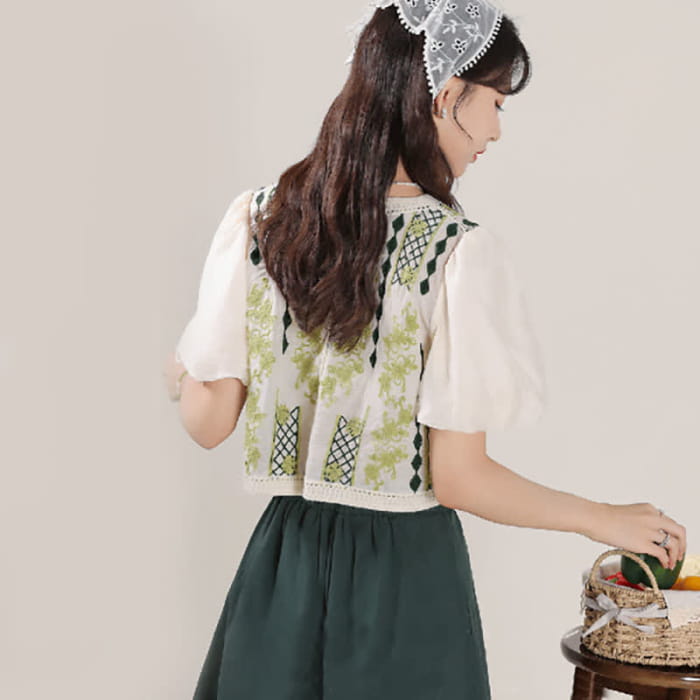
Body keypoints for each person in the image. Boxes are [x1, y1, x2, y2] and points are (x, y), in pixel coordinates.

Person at [162, 1, 687, 698]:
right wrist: (603, 518)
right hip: (401, 581)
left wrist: (181, 371)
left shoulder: (263, 222)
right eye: (495, 103)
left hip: (282, 572)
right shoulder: (454, 253)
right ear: (447, 96)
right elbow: (460, 478)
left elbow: (207, 424)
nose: (496, 130)